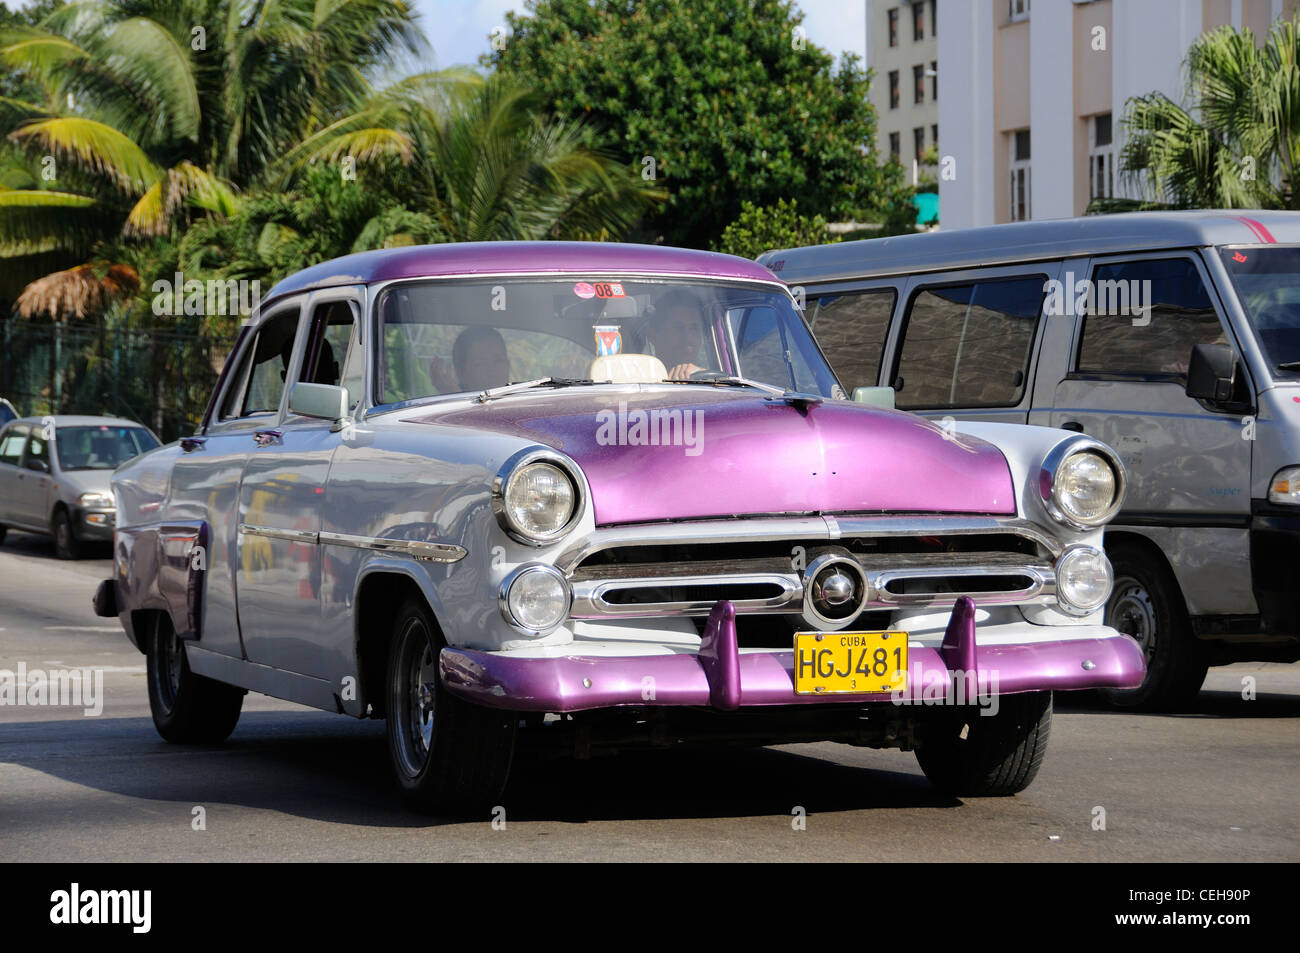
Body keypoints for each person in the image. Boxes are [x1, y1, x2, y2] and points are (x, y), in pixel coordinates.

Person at [429, 326, 511, 393]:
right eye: (481, 363)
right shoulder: (445, 410)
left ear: (508, 364)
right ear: (461, 371)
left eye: (499, 360)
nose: (492, 370)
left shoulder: (521, 401)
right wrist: (454, 398)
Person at [648, 290, 708, 379]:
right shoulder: (636, 383)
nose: (687, 337)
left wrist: (704, 376)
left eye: (694, 328)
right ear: (653, 335)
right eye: (678, 327)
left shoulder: (716, 384)